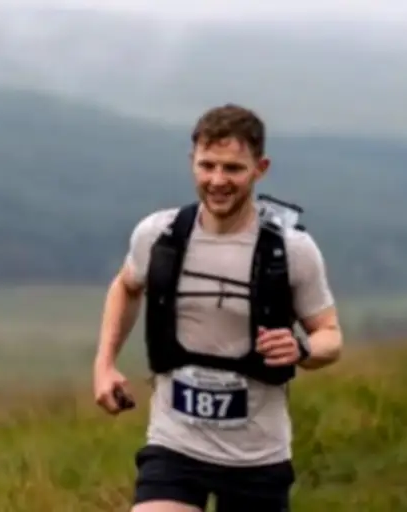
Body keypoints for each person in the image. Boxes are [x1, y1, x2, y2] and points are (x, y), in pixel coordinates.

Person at [91, 103, 343, 512]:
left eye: (233, 169)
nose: (217, 180)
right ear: (191, 161)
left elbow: (331, 336)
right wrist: (104, 365)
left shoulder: (292, 250)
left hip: (257, 457)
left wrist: (302, 349)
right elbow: (125, 286)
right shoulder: (159, 235)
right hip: (174, 445)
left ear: (260, 169)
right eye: (207, 166)